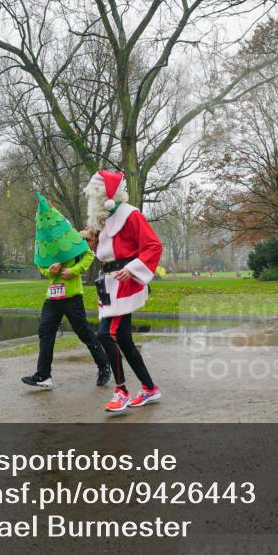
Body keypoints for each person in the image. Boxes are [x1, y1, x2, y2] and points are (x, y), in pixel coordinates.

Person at [81, 170, 163, 413]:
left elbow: (153, 245)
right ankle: (149, 387)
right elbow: (106, 253)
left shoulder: (130, 214)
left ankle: (121, 391)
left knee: (107, 334)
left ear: (105, 194)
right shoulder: (103, 217)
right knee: (124, 340)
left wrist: (133, 268)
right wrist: (93, 243)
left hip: (125, 282)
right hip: (108, 283)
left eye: (94, 194)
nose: (91, 199)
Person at [22, 194, 111, 389]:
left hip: (72, 295)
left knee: (84, 332)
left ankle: (104, 366)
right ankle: (43, 375)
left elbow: (88, 255)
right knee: (45, 332)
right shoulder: (44, 237)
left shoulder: (70, 234)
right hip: (52, 296)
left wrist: (73, 271)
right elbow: (41, 264)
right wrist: (49, 271)